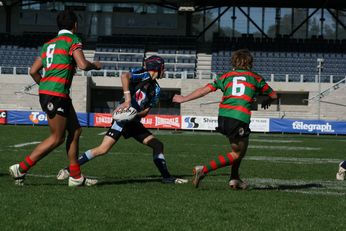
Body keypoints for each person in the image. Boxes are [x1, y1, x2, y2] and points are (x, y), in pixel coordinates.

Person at [56, 55, 188, 184]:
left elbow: (146, 112)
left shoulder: (156, 89)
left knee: (158, 145)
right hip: (122, 121)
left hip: (132, 121)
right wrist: (128, 101)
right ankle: (69, 169)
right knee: (103, 149)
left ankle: (166, 177)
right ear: (157, 68)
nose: (164, 71)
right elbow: (124, 76)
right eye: (163, 68)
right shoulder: (143, 74)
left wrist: (133, 114)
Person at [9, 10, 102, 187]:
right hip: (57, 94)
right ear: (75, 25)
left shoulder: (48, 44)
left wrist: (44, 86)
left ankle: (75, 176)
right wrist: (95, 65)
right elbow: (83, 64)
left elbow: (33, 71)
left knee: (75, 131)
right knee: (57, 137)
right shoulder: (72, 40)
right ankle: (21, 168)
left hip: (56, 93)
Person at [173, 49, 277, 189]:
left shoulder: (225, 76)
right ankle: (203, 170)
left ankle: (234, 179)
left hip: (223, 117)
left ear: (233, 62)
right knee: (237, 153)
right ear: (250, 63)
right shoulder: (255, 78)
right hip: (239, 117)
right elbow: (274, 95)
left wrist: (184, 98)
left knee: (241, 148)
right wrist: (266, 100)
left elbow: (205, 90)